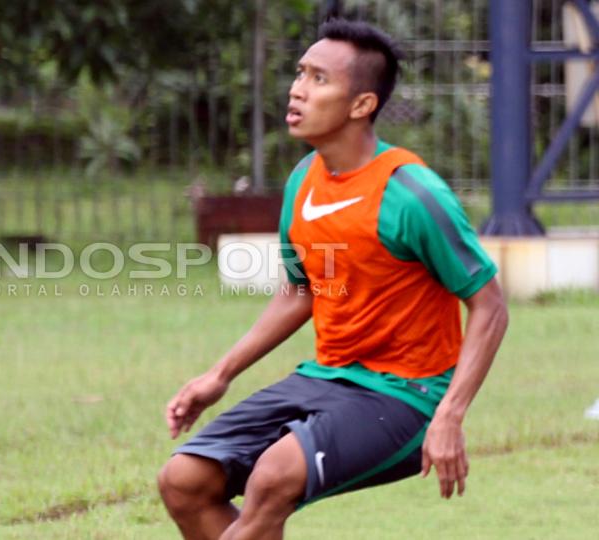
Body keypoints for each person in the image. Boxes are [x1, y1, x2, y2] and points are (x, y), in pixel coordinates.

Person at [157, 19, 509, 540]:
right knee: (184, 480)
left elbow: (490, 306)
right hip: (327, 378)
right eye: (300, 73)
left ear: (361, 104)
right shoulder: (304, 182)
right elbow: (303, 290)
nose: (298, 88)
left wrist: (450, 415)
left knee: (273, 478)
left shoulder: (411, 195)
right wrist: (220, 374)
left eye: (319, 78)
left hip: (408, 397)